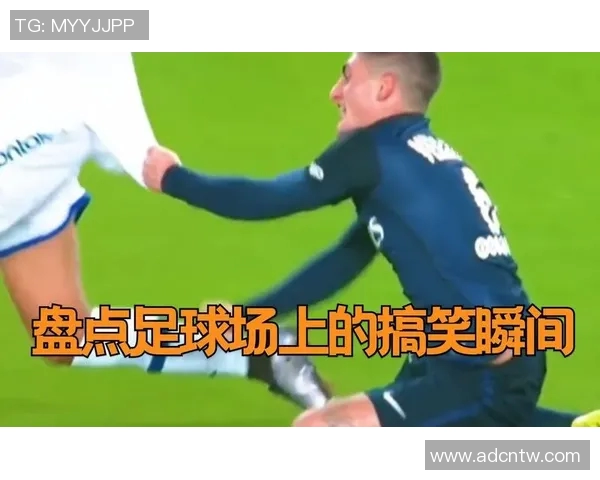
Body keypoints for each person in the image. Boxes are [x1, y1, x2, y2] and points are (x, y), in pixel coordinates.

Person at [142, 52, 598, 427]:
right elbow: (345, 258)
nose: (335, 92)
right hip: (471, 354)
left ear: (384, 89)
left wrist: (174, 179)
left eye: (347, 78)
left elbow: (271, 199)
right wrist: (250, 318)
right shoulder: (422, 158)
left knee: (320, 431)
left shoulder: (372, 151)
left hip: (481, 372)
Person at [0, 53, 330, 412]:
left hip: (32, 170)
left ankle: (254, 351)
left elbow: (134, 143)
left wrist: (158, 165)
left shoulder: (82, 71)